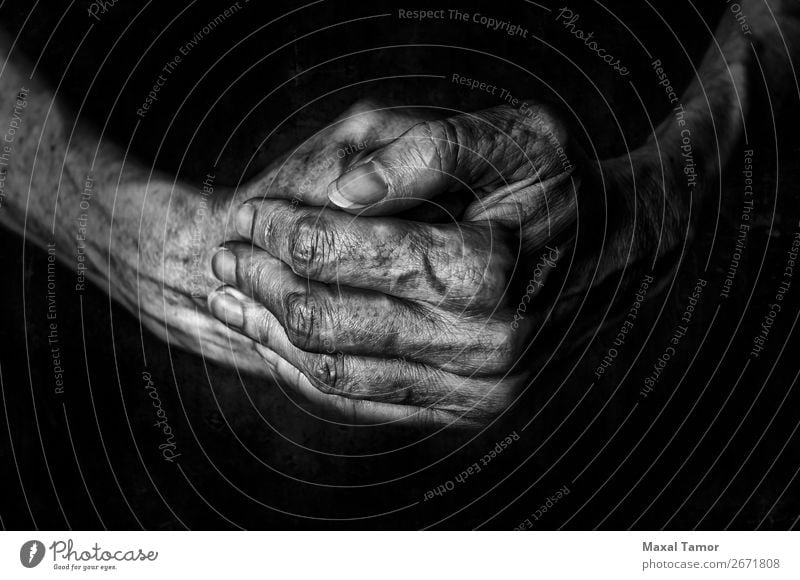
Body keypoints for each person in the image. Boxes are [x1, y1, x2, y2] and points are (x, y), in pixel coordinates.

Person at [0, 1, 796, 428]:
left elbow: (774, 21)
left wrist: (657, 189)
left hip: (677, 396)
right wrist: (133, 227)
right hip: (98, 387)